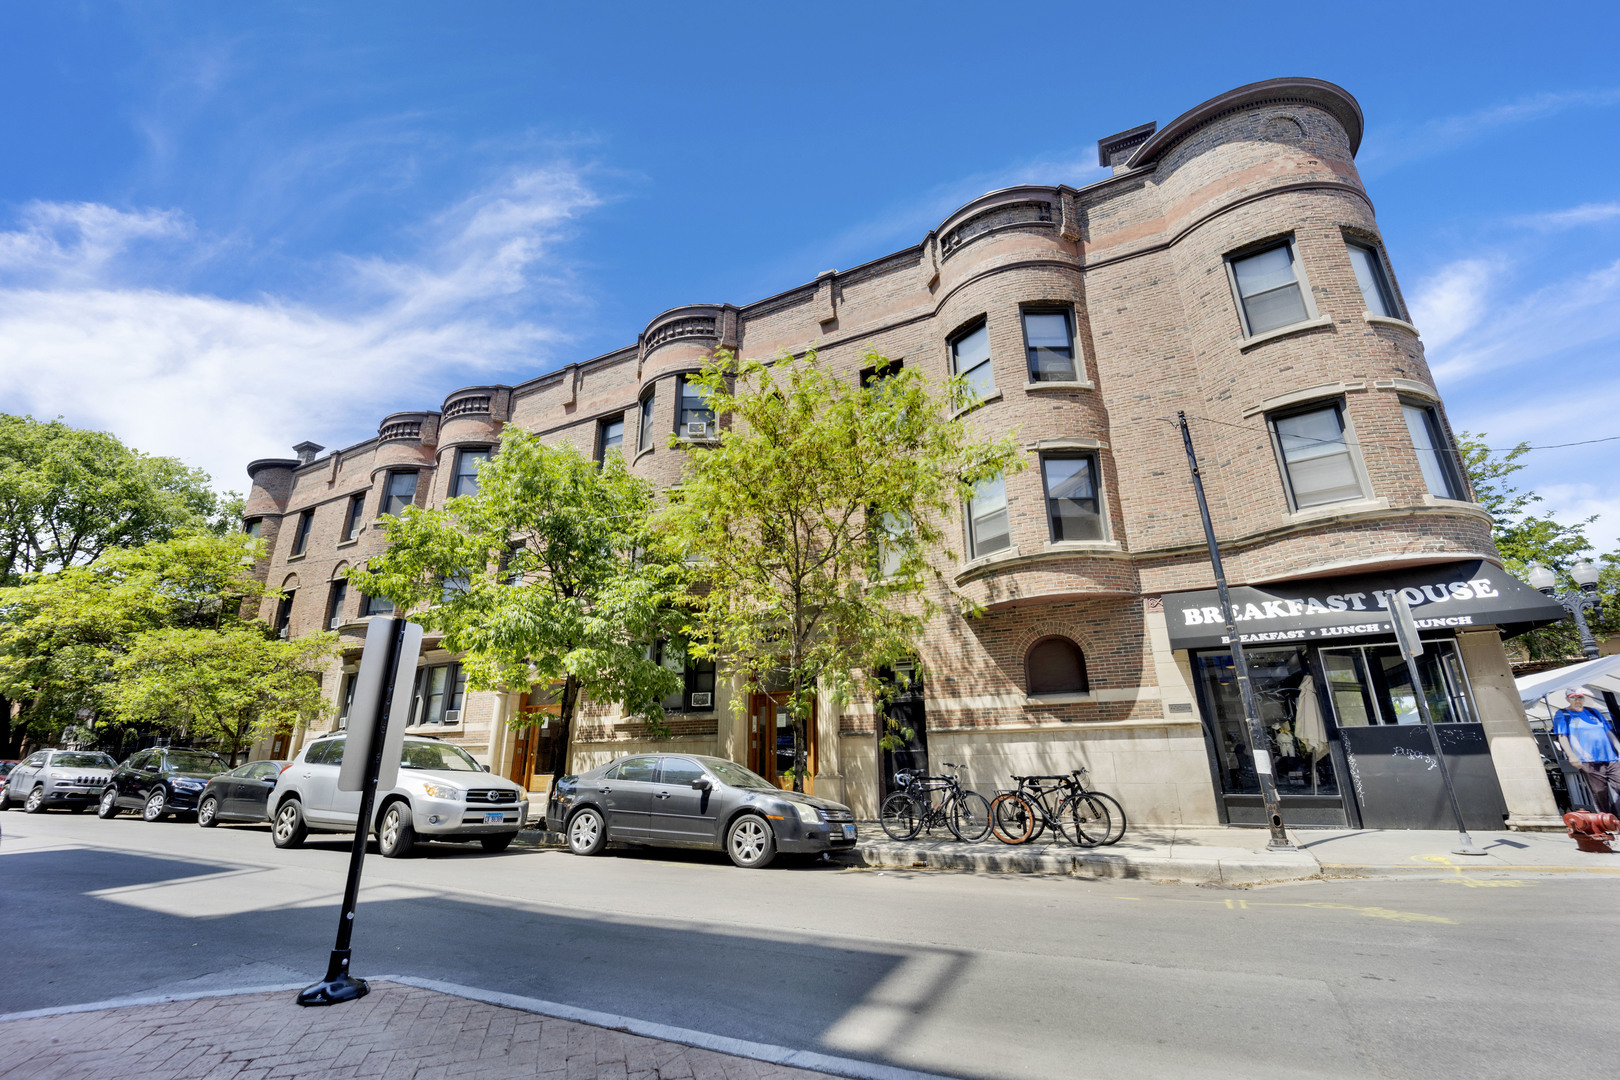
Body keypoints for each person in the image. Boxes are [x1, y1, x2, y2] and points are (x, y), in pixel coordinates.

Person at [1552, 689, 1620, 817]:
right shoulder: (1564, 714)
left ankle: (1617, 816)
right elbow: (1562, 736)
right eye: (1573, 698)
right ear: (1567, 699)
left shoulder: (1593, 712)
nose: (1577, 701)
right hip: (1587, 759)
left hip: (1610, 756)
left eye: (1580, 697)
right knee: (1599, 791)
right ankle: (1605, 819)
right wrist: (1572, 755)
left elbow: (1608, 732)